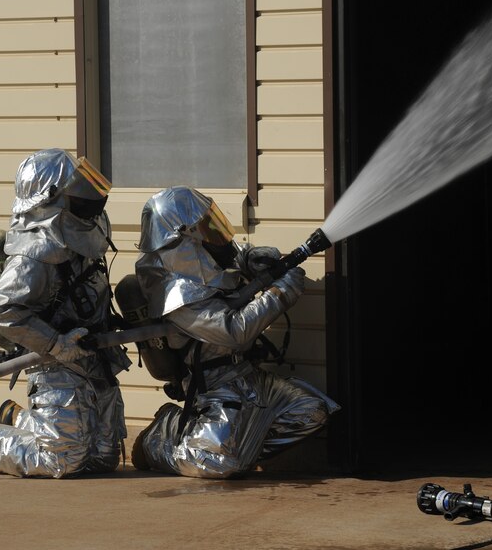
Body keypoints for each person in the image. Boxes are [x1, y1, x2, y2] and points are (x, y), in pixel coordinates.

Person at [130, 186, 340, 478]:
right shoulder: (174, 296)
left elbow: (228, 254)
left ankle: (239, 449)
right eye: (208, 228)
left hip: (251, 378)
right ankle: (159, 436)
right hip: (218, 389)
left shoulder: (205, 261)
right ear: (187, 240)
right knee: (217, 464)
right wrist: (281, 293)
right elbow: (235, 332)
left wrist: (252, 257)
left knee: (312, 411)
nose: (217, 233)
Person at [0, 148, 130, 478]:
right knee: (62, 461)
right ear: (53, 197)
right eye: (75, 186)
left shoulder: (82, 231)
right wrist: (58, 344)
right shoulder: (34, 254)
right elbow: (4, 312)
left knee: (104, 457)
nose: (87, 194)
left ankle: (20, 419)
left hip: (95, 358)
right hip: (55, 366)